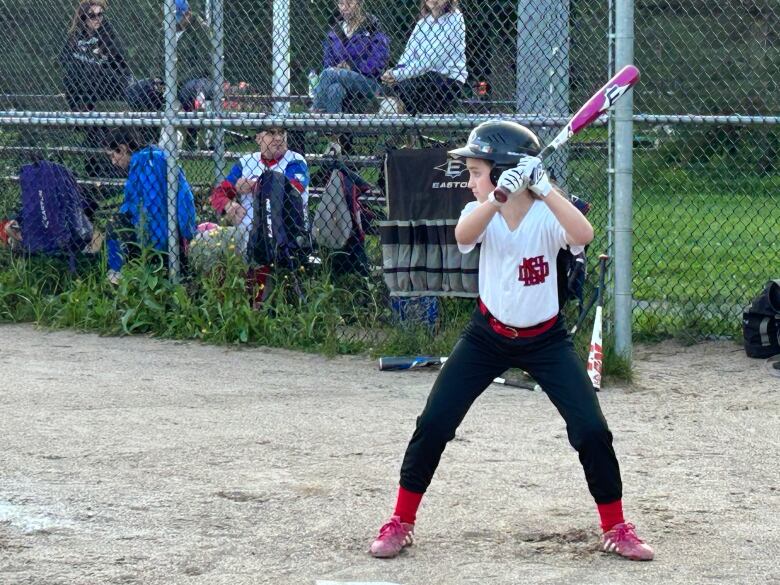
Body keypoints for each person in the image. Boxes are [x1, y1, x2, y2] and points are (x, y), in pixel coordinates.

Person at [367, 121, 654, 562]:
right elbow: (464, 236)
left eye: (477, 171)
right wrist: (498, 195)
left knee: (592, 430)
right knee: (435, 423)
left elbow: (584, 236)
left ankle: (615, 527)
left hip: (546, 340)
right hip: (487, 337)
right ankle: (401, 521)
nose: (469, 180)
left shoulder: (546, 213)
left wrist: (547, 188)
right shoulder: (480, 211)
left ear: (503, 170)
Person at [104, 129, 196, 283]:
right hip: (172, 237)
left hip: (152, 241)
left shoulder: (144, 163)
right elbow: (185, 198)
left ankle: (116, 277)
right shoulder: (157, 157)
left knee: (114, 226)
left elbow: (144, 208)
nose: (113, 161)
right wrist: (187, 231)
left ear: (123, 148)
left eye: (113, 155)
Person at [210, 127, 311, 251]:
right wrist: (228, 204)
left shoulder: (295, 160)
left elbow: (290, 190)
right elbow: (218, 194)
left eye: (281, 133)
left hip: (286, 235)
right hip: (248, 234)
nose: (278, 138)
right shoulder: (246, 162)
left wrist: (254, 186)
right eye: (271, 133)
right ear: (258, 139)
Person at [380, 0, 467, 116]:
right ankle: (398, 114)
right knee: (387, 83)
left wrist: (398, 75)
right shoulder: (423, 23)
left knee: (421, 80)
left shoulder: (455, 18)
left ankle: (400, 110)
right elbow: (407, 56)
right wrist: (394, 72)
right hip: (418, 77)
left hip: (447, 80)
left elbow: (430, 61)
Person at [311, 0, 390, 115]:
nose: (344, 7)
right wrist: (338, 67)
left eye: (350, 3)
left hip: (367, 82)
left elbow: (378, 62)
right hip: (336, 76)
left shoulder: (373, 27)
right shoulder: (334, 31)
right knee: (335, 89)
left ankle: (314, 113)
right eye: (341, 3)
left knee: (329, 73)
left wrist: (352, 66)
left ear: (360, 4)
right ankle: (335, 131)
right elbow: (327, 62)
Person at [60, 0, 131, 111]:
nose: (98, 19)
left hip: (111, 81)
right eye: (92, 16)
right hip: (84, 84)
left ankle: (83, 112)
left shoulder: (109, 33)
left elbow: (118, 66)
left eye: (100, 14)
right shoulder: (75, 36)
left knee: (91, 70)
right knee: (73, 72)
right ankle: (78, 113)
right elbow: (64, 59)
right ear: (83, 17)